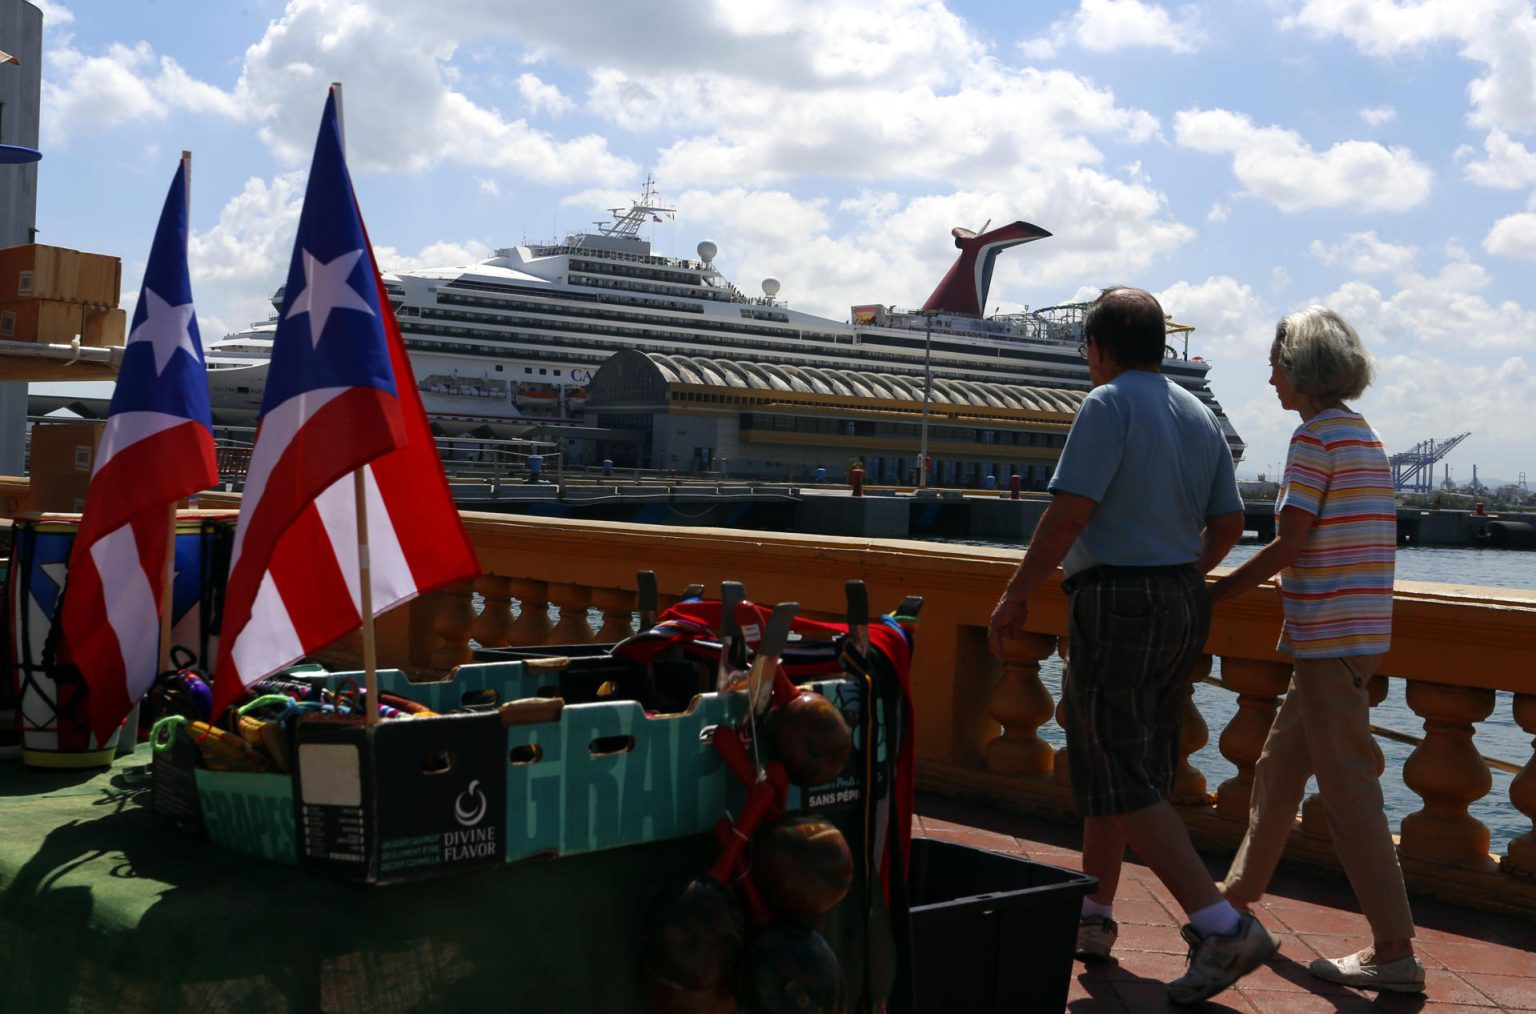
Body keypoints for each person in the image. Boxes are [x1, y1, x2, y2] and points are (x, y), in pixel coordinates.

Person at [988, 286, 1270, 1006]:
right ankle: (1095, 913)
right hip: (1181, 599)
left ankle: (1219, 925)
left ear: (1099, 347)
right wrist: (1180, 573)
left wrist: (1018, 591)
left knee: (1115, 763)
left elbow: (1069, 512)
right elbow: (1231, 524)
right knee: (1128, 761)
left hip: (1116, 601)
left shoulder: (1107, 404)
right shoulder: (1198, 412)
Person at [1210, 307, 1423, 993]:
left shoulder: (1312, 442)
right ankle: (1235, 899)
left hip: (1327, 640)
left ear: (1301, 369)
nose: (1270, 377)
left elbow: (1288, 543)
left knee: (1349, 797)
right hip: (1349, 638)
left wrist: (1213, 594)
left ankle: (1394, 952)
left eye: (1276, 363)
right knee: (1276, 773)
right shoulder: (1365, 437)